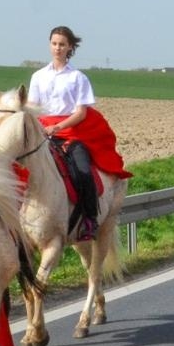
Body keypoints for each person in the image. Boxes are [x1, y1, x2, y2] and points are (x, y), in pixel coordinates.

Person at [27, 26, 131, 241]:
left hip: (71, 132)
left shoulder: (78, 78)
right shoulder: (38, 76)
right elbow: (32, 108)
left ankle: (90, 219)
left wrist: (58, 127)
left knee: (83, 171)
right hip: (42, 133)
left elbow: (81, 113)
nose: (57, 48)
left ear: (70, 48)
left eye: (62, 44)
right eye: (54, 43)